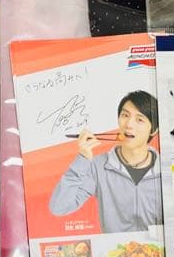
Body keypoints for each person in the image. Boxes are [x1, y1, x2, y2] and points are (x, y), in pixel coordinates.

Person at [50, 90, 163, 233]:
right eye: (125, 115)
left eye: (139, 119)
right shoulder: (98, 166)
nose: (129, 124)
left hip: (156, 247)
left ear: (154, 130)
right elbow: (59, 207)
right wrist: (82, 159)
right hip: (114, 247)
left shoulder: (166, 169)